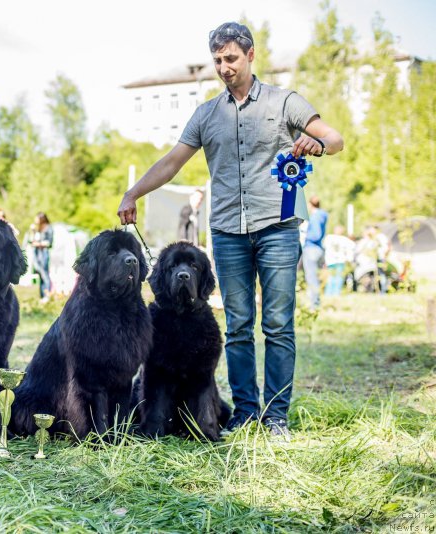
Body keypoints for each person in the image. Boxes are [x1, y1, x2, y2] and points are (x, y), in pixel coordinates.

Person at [117, 22, 343, 439]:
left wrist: (319, 144)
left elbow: (335, 136)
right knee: (238, 326)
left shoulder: (284, 102)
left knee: (277, 324)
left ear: (251, 55)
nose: (224, 67)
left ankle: (275, 416)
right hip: (227, 234)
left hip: (277, 228)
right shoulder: (207, 113)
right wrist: (133, 192)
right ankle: (244, 412)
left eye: (231, 58)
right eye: (218, 60)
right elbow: (172, 162)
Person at [301, 195, 328, 309]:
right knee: (313, 277)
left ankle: (314, 304)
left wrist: (305, 236)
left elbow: (316, 234)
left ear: (310, 204)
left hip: (311, 248)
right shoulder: (322, 215)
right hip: (318, 249)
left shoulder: (315, 217)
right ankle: (314, 302)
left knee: (311, 277)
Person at [322, 225, 354, 296]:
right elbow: (351, 249)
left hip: (337, 261)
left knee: (336, 278)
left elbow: (323, 247)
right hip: (335, 261)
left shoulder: (329, 238)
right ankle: (332, 293)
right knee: (334, 278)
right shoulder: (344, 239)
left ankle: (332, 293)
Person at [28, 212, 53, 302]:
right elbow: (31, 240)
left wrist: (38, 244)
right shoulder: (38, 229)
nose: (35, 220)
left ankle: (47, 295)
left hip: (43, 253)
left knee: (44, 274)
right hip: (37, 253)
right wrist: (33, 231)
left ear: (41, 219)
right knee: (40, 275)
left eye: (37, 218)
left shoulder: (48, 228)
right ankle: (42, 296)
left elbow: (49, 243)